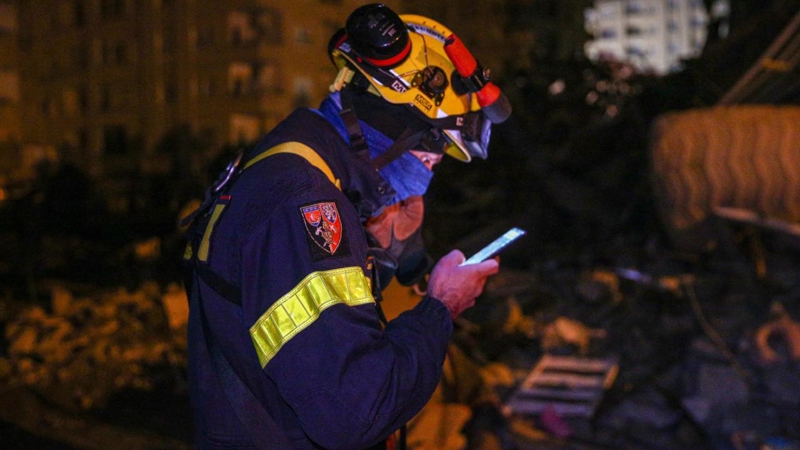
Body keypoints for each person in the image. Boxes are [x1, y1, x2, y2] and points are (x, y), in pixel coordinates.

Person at [182, 3, 511, 449]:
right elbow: (357, 412)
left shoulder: (282, 171)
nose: (428, 173)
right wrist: (441, 307)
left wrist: (384, 249)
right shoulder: (302, 202)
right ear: (393, 126)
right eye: (431, 155)